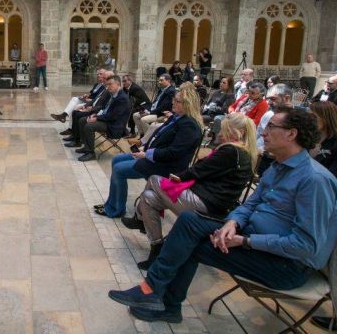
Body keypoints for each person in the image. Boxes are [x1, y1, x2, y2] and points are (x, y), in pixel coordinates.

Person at [107, 106, 337, 325]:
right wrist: (234, 222)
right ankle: (154, 291)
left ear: (292, 134)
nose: (263, 131)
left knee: (189, 243)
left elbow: (305, 246)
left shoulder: (314, 180)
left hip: (285, 265)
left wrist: (245, 240)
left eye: (271, 126)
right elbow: (250, 205)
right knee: (189, 222)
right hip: (252, 236)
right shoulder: (278, 166)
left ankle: (161, 299)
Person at [127, 112, 257, 269]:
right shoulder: (240, 151)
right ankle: (156, 246)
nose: (220, 134)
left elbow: (198, 170)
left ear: (238, 132)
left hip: (208, 204)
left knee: (154, 179)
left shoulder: (231, 151)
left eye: (224, 130)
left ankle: (139, 219)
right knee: (148, 197)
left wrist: (177, 177)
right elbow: (203, 170)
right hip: (208, 199)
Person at [95, 90, 202, 218]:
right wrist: (144, 149)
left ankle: (116, 209)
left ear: (187, 104)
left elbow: (174, 152)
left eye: (177, 101)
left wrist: (147, 154)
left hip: (166, 166)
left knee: (119, 169)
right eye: (174, 99)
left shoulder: (189, 125)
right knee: (116, 159)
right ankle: (112, 203)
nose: (173, 103)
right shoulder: (177, 117)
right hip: (156, 157)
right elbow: (158, 137)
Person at [74, 75, 131, 162]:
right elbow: (105, 110)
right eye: (107, 85)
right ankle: (86, 147)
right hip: (108, 120)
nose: (108, 87)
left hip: (115, 126)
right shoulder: (114, 94)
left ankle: (90, 153)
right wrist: (95, 115)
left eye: (110, 84)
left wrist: (97, 118)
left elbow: (113, 116)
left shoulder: (122, 98)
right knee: (82, 120)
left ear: (118, 84)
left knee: (89, 126)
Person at [63, 71, 113, 146]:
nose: (102, 79)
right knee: (75, 112)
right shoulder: (104, 87)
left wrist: (91, 109)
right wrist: (86, 106)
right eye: (103, 78)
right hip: (93, 107)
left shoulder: (109, 91)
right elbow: (95, 99)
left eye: (105, 78)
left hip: (96, 111)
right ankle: (74, 136)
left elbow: (103, 106)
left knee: (78, 115)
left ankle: (77, 141)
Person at [311, 101, 337, 185]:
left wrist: (309, 158)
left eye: (313, 117)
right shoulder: (305, 140)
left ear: (327, 120)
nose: (307, 120)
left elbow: (333, 181)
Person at [256, 84, 293, 175]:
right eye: (268, 99)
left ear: (286, 98)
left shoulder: (295, 118)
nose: (268, 102)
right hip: (259, 155)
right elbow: (258, 133)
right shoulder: (268, 114)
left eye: (273, 99)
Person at [132, 74, 176, 138]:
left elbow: (164, 107)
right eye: (159, 80)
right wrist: (147, 109)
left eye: (161, 80)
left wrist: (150, 112)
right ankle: (142, 135)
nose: (159, 82)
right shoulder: (161, 89)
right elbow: (155, 103)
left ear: (168, 81)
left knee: (143, 120)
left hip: (160, 113)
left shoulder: (171, 91)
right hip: (154, 110)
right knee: (135, 115)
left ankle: (148, 139)